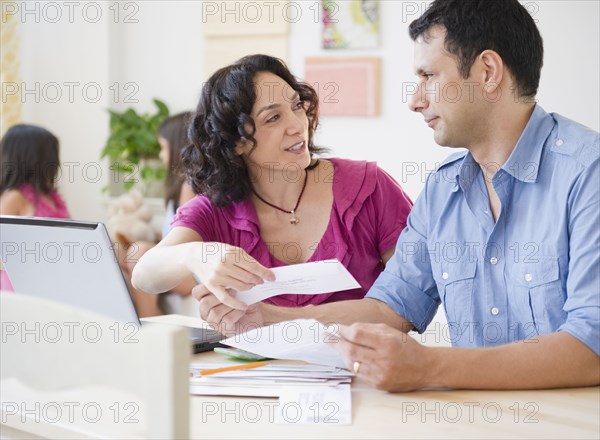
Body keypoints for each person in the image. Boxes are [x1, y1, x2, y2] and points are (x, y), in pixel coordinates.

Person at [194, 0, 600, 391]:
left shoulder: (587, 173)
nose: (414, 101)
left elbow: (591, 347)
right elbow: (391, 307)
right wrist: (268, 316)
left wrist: (430, 366)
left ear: (488, 71)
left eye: (429, 77)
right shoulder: (444, 190)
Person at [131, 54, 413, 315]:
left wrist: (281, 319)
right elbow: (144, 274)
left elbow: (408, 304)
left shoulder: (369, 188)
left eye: (296, 106)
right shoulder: (217, 209)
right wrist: (194, 255)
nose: (297, 125)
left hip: (363, 367)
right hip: (254, 368)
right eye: (274, 117)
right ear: (237, 142)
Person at [118, 112, 197, 317]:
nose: (161, 155)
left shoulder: (189, 186)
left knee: (140, 252)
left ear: (178, 146)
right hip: (179, 262)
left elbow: (185, 241)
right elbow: (173, 234)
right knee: (119, 249)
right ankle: (132, 314)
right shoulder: (178, 186)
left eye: (163, 147)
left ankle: (148, 318)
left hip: (192, 269)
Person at [0, 124, 70, 291]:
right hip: (23, 280)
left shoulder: (52, 198)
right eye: (52, 156)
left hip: (55, 273)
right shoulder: (15, 197)